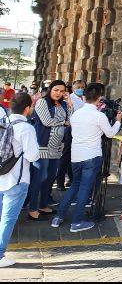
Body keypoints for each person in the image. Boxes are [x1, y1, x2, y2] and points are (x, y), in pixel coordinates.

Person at [51, 84, 121, 232]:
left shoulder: (76, 114)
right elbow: (110, 133)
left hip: (76, 156)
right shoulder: (99, 116)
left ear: (84, 97)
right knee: (84, 188)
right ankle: (77, 222)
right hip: (92, 156)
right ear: (99, 98)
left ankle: (58, 217)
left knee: (75, 185)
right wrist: (118, 121)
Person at [0, 93, 40, 268]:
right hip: (16, 180)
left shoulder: (3, 122)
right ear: (27, 108)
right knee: (8, 219)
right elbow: (32, 155)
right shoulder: (26, 128)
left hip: (1, 176)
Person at [27, 80, 71, 221]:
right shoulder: (42, 102)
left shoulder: (64, 104)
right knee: (40, 177)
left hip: (57, 147)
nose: (59, 93)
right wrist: (63, 122)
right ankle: (32, 209)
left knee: (51, 176)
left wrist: (69, 103)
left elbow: (70, 120)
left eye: (62, 91)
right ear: (50, 89)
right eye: (56, 90)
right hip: (43, 145)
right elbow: (47, 122)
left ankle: (43, 205)